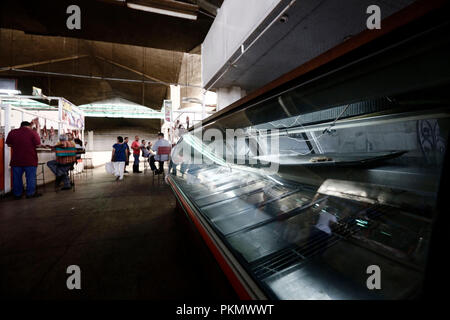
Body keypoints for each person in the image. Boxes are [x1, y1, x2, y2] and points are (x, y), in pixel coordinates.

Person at [5, 121, 43, 199]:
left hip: (16, 160)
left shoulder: (12, 132)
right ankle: (30, 194)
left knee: (16, 178)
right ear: (29, 126)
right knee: (30, 177)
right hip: (30, 159)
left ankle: (17, 195)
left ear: (21, 126)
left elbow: (9, 144)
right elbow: (38, 145)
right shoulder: (33, 132)